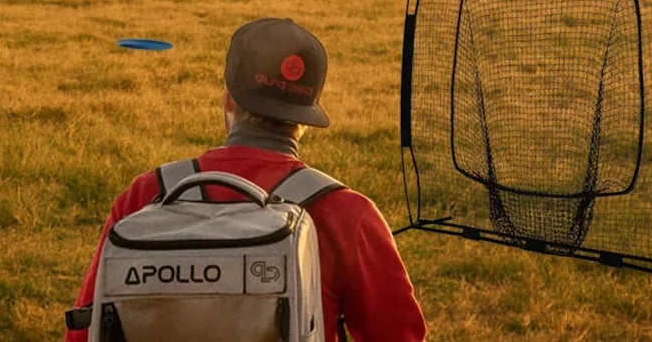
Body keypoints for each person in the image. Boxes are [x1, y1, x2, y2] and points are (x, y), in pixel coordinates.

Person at [67, 18, 426, 341]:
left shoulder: (147, 194)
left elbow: (85, 332)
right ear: (304, 121)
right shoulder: (346, 212)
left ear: (228, 102)